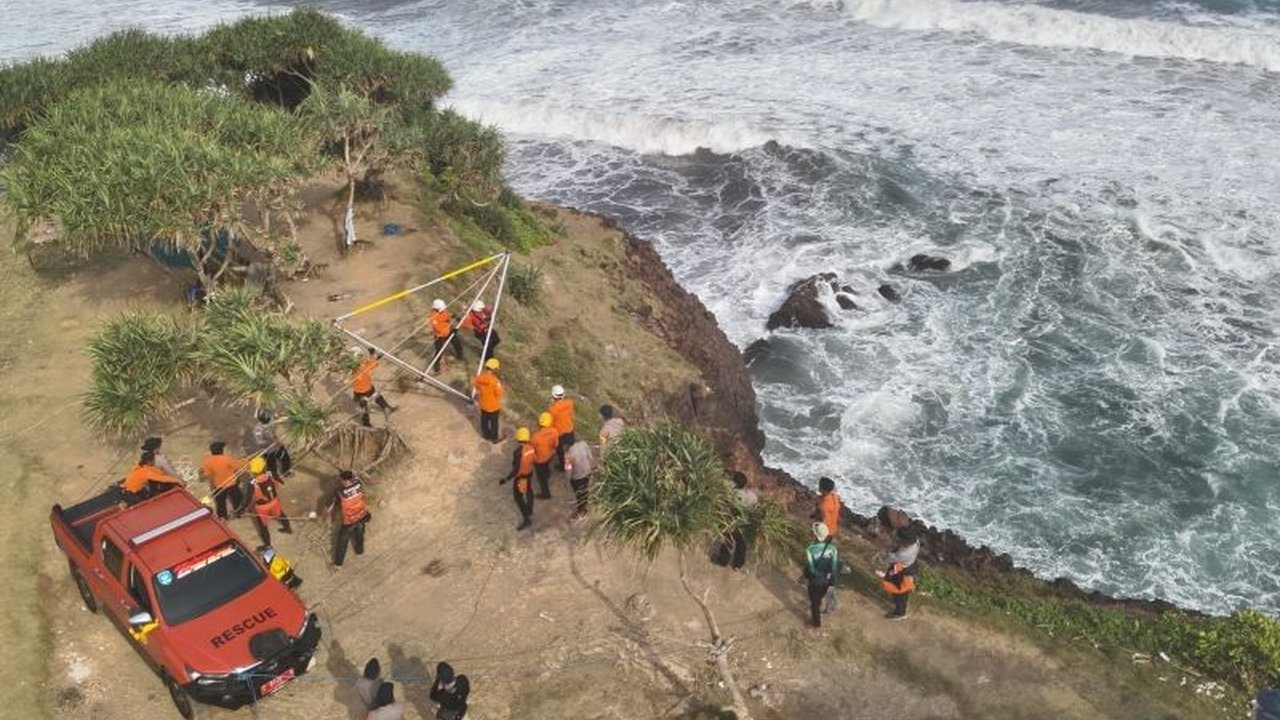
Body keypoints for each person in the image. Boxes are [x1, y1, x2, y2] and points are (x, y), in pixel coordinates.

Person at [327, 470, 371, 567]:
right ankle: (359, 551)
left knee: (342, 541)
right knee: (359, 533)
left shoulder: (341, 493)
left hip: (350, 520)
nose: (340, 482)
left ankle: (338, 564)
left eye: (341, 480)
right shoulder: (359, 484)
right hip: (361, 514)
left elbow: (333, 505)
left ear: (345, 480)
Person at [247, 456, 292, 546]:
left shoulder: (251, 483)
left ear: (253, 471)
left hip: (261, 508)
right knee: (281, 515)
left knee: (263, 526)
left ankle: (267, 544)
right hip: (274, 502)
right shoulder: (271, 474)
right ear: (264, 467)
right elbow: (281, 482)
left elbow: (247, 499)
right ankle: (288, 528)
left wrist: (240, 510)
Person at [499, 427, 536, 530]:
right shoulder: (532, 447)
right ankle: (530, 509)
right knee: (529, 490)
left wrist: (506, 479)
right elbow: (534, 460)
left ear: (518, 439)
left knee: (518, 496)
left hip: (521, 477)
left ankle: (527, 519)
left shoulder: (518, 452)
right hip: (529, 473)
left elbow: (516, 469)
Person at [803, 522, 838, 628]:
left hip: (816, 581)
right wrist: (828, 575)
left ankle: (816, 623)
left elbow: (811, 568)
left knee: (814, 603)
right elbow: (834, 566)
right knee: (820, 595)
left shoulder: (810, 549)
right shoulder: (833, 548)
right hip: (828, 580)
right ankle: (819, 602)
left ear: (815, 535)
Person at [881, 527, 920, 620]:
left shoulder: (903, 554)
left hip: (902, 571)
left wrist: (886, 548)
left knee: (899, 591)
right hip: (911, 566)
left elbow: (890, 558)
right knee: (903, 592)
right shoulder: (916, 542)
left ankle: (900, 613)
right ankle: (900, 606)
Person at [200, 441, 245, 520]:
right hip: (231, 484)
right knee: (237, 499)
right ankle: (239, 513)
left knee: (220, 503)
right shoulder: (227, 459)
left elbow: (207, 474)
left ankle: (222, 517)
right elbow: (238, 467)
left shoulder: (207, 461)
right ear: (222, 450)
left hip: (218, 486)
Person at [352, 347, 396, 427]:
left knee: (378, 398)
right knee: (365, 408)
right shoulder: (360, 367)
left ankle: (387, 408)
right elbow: (371, 364)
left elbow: (370, 362)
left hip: (365, 388)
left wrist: (373, 355)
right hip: (362, 391)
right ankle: (366, 423)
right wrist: (376, 356)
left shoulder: (358, 365)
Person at [119, 451, 183, 504]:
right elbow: (161, 478)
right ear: (150, 461)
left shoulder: (139, 466)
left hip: (126, 491)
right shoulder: (146, 472)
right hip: (131, 495)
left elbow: (156, 472)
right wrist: (177, 480)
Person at [728, 471, 758, 569]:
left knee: (727, 539)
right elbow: (754, 509)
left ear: (734, 482)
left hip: (730, 520)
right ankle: (738, 565)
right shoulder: (752, 496)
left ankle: (723, 560)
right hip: (744, 522)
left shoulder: (731, 494)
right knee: (741, 544)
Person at [472, 358, 504, 442]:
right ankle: (494, 438)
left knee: (484, 419)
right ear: (494, 369)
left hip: (483, 404)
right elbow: (499, 393)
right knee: (494, 423)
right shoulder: (495, 381)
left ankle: (485, 434)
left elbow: (476, 386)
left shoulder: (480, 377)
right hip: (493, 406)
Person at [253, 410, 292, 477]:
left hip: (276, 446)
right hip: (268, 450)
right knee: (271, 466)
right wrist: (271, 442)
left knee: (285, 458)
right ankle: (274, 478)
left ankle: (285, 471)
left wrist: (287, 418)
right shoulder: (258, 430)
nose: (271, 418)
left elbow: (277, 419)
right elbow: (260, 442)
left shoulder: (269, 421)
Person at [427, 298, 462, 373]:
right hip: (439, 335)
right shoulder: (433, 316)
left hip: (448, 331)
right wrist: (451, 331)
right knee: (439, 350)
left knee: (457, 342)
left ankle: (460, 355)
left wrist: (454, 316)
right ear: (437, 308)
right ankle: (436, 364)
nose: (443, 310)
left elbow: (447, 314)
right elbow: (438, 328)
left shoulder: (443, 310)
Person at [530, 412, 559, 500]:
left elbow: (532, 449)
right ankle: (547, 474)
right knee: (546, 466)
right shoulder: (554, 431)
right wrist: (553, 450)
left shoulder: (535, 437)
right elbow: (556, 444)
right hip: (549, 455)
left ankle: (546, 494)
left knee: (542, 478)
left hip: (539, 460)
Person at [547, 385, 575, 471]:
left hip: (560, 433)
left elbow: (550, 424)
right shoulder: (570, 403)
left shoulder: (552, 409)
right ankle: (573, 463)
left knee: (561, 452)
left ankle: (564, 467)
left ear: (553, 396)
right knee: (571, 449)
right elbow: (571, 415)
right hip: (570, 429)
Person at [564, 436, 593, 519]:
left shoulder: (568, 454)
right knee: (585, 489)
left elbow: (568, 470)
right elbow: (590, 457)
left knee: (579, 494)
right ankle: (584, 506)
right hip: (587, 472)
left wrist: (566, 481)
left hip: (577, 477)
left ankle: (581, 511)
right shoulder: (584, 444)